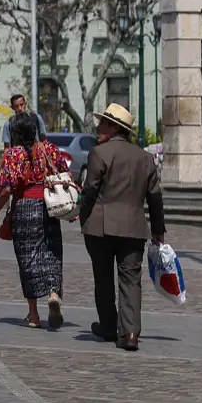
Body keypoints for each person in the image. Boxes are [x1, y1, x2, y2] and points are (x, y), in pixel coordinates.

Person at [79, 103, 165, 352]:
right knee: (130, 280)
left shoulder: (100, 153)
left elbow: (90, 191)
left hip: (101, 227)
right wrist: (158, 229)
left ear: (115, 127)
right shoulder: (145, 158)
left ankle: (108, 325)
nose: (98, 128)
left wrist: (83, 218)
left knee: (103, 277)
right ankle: (129, 333)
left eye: (103, 123)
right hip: (134, 228)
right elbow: (155, 198)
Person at [0, 112, 70, 329]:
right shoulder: (50, 149)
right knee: (52, 253)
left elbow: (7, 189)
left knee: (27, 262)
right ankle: (54, 294)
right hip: (48, 207)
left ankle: (33, 314)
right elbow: (65, 174)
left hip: (23, 208)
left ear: (15, 133)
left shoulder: (12, 155)